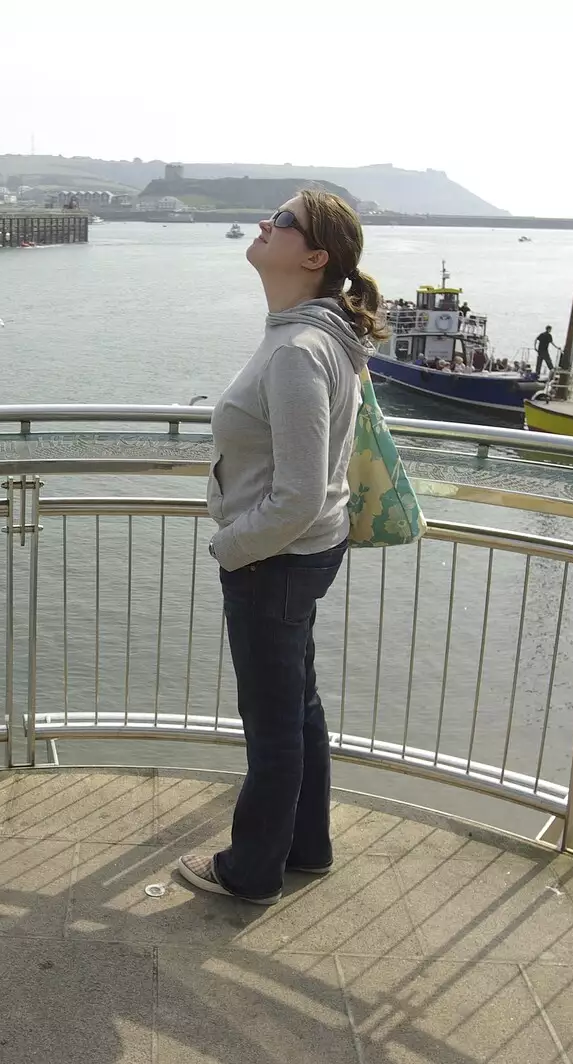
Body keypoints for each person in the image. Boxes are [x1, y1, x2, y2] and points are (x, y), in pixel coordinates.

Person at [177, 190, 379, 906]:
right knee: (297, 707)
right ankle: (307, 847)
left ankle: (252, 870)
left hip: (275, 559)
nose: (265, 223)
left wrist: (231, 547)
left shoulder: (297, 349)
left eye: (283, 221)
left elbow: (295, 492)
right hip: (302, 553)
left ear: (316, 257)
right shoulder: (313, 334)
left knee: (271, 724)